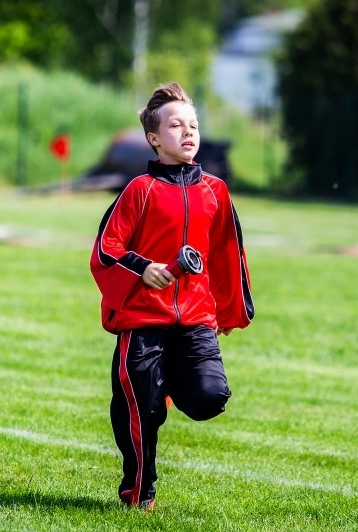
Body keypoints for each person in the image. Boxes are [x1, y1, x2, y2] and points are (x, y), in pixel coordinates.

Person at [90, 82, 255, 509]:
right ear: (153, 138)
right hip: (144, 320)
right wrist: (145, 269)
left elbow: (227, 254)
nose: (188, 132)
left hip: (195, 320)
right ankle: (139, 493)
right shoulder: (139, 190)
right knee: (141, 413)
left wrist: (230, 312)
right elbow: (107, 250)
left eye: (194, 124)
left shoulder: (216, 191)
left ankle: (163, 385)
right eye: (176, 125)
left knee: (208, 398)